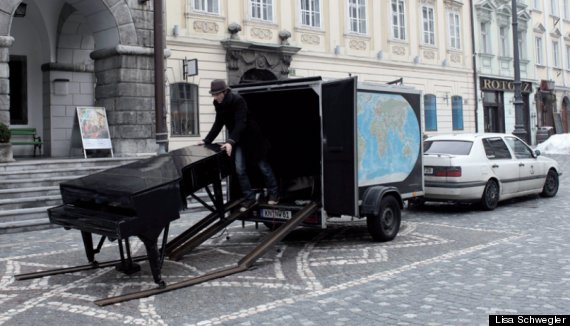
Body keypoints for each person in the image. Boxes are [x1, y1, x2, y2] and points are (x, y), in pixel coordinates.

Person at [202, 79, 280, 211]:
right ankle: (249, 199)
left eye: (217, 94)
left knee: (263, 167)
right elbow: (218, 123)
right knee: (239, 169)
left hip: (252, 138)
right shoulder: (217, 103)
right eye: (213, 95)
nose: (215, 97)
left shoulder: (238, 100)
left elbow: (241, 123)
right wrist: (206, 140)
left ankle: (274, 194)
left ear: (224, 92)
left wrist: (230, 141)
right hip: (237, 140)